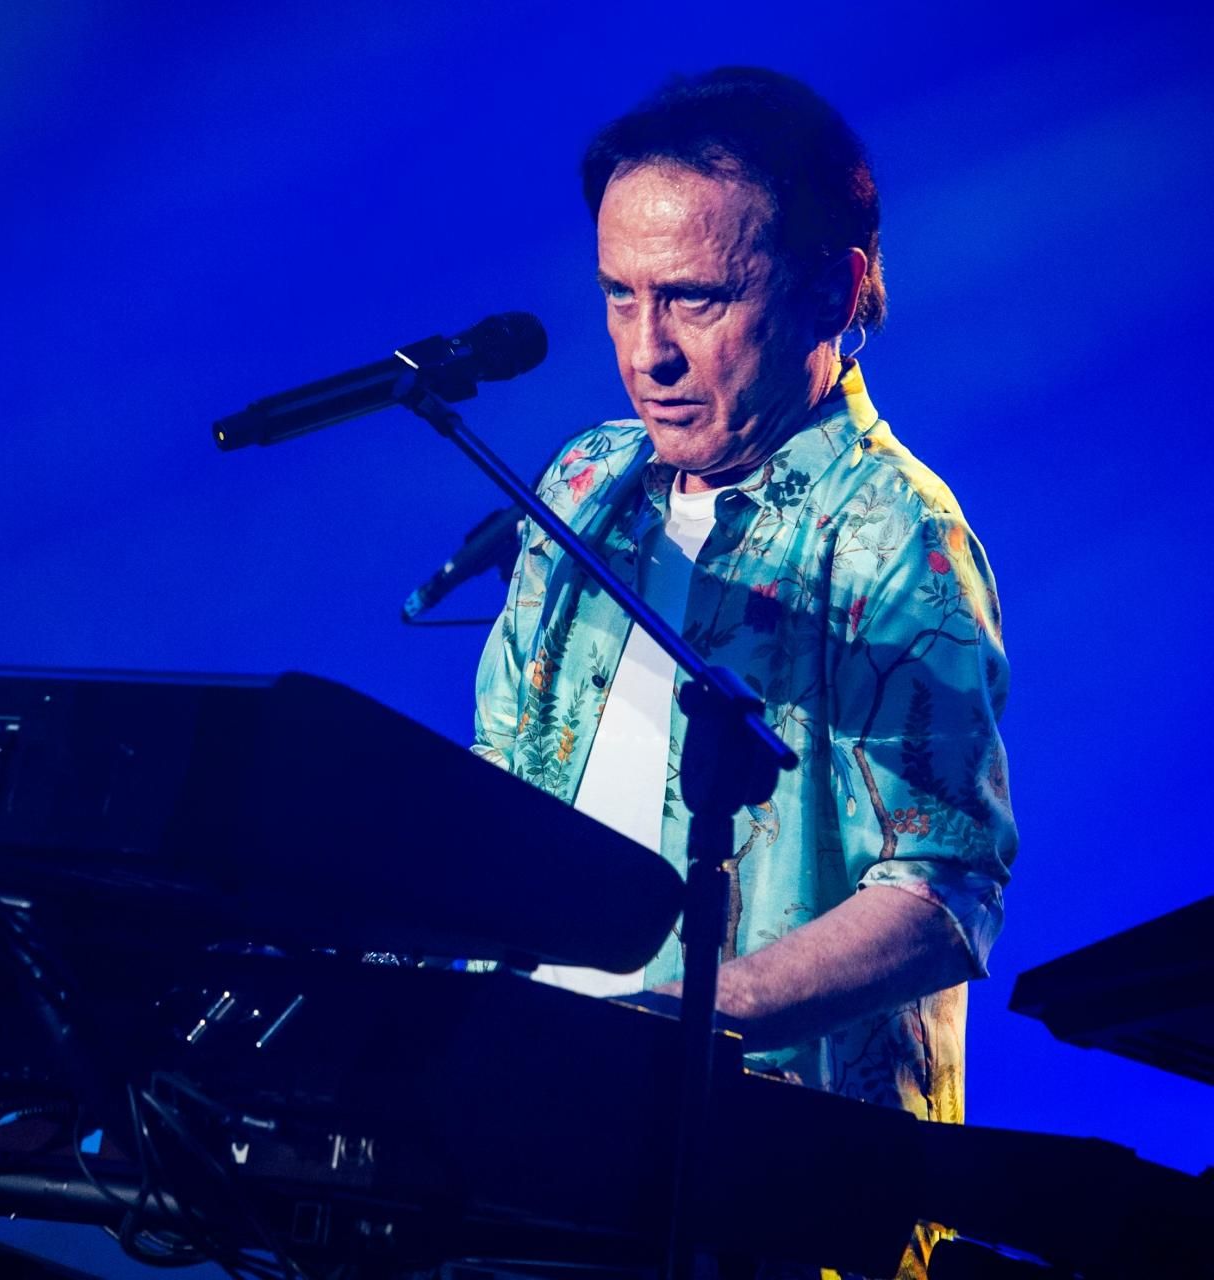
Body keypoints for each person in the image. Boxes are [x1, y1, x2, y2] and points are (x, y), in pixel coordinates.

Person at [472, 67, 1017, 1278]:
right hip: (527, 1141)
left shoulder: (898, 538)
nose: (647, 351)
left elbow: (943, 891)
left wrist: (679, 1020)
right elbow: (498, 775)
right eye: (620, 295)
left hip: (770, 1187)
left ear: (835, 288)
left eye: (697, 298)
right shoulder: (585, 487)